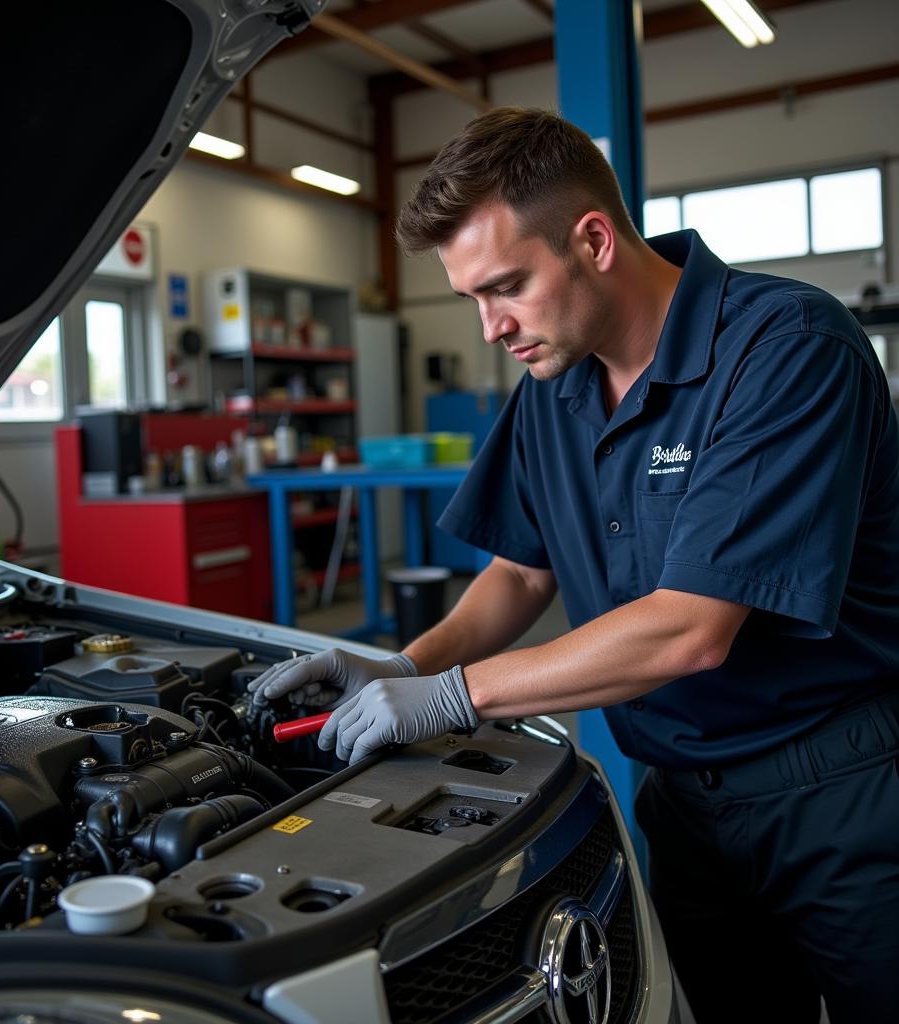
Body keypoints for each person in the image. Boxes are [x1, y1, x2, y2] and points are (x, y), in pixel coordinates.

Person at [249, 108, 899, 1021]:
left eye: (505, 286)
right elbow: (521, 573)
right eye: (472, 297)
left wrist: (453, 694)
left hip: (841, 790)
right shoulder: (556, 386)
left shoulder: (785, 348)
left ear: (592, 239)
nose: (490, 327)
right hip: (680, 801)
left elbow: (691, 629)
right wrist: (408, 664)